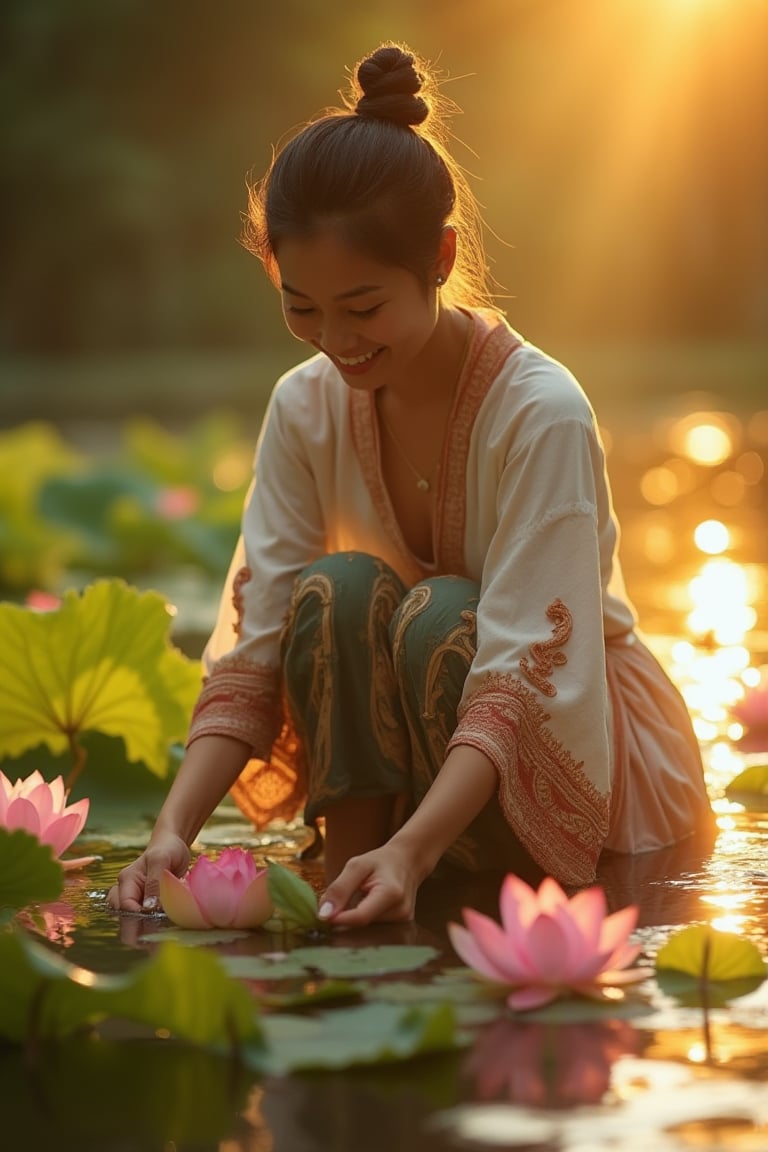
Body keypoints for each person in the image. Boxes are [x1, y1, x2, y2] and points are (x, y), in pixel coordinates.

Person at [110, 42, 712, 927]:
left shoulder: (541, 413)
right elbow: (257, 642)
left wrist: (417, 847)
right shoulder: (304, 405)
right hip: (421, 770)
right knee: (336, 588)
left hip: (571, 750)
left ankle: (421, 857)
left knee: (441, 616)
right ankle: (356, 857)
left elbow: (520, 673)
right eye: (300, 308)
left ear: (439, 256)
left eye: (362, 308)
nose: (335, 341)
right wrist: (171, 830)